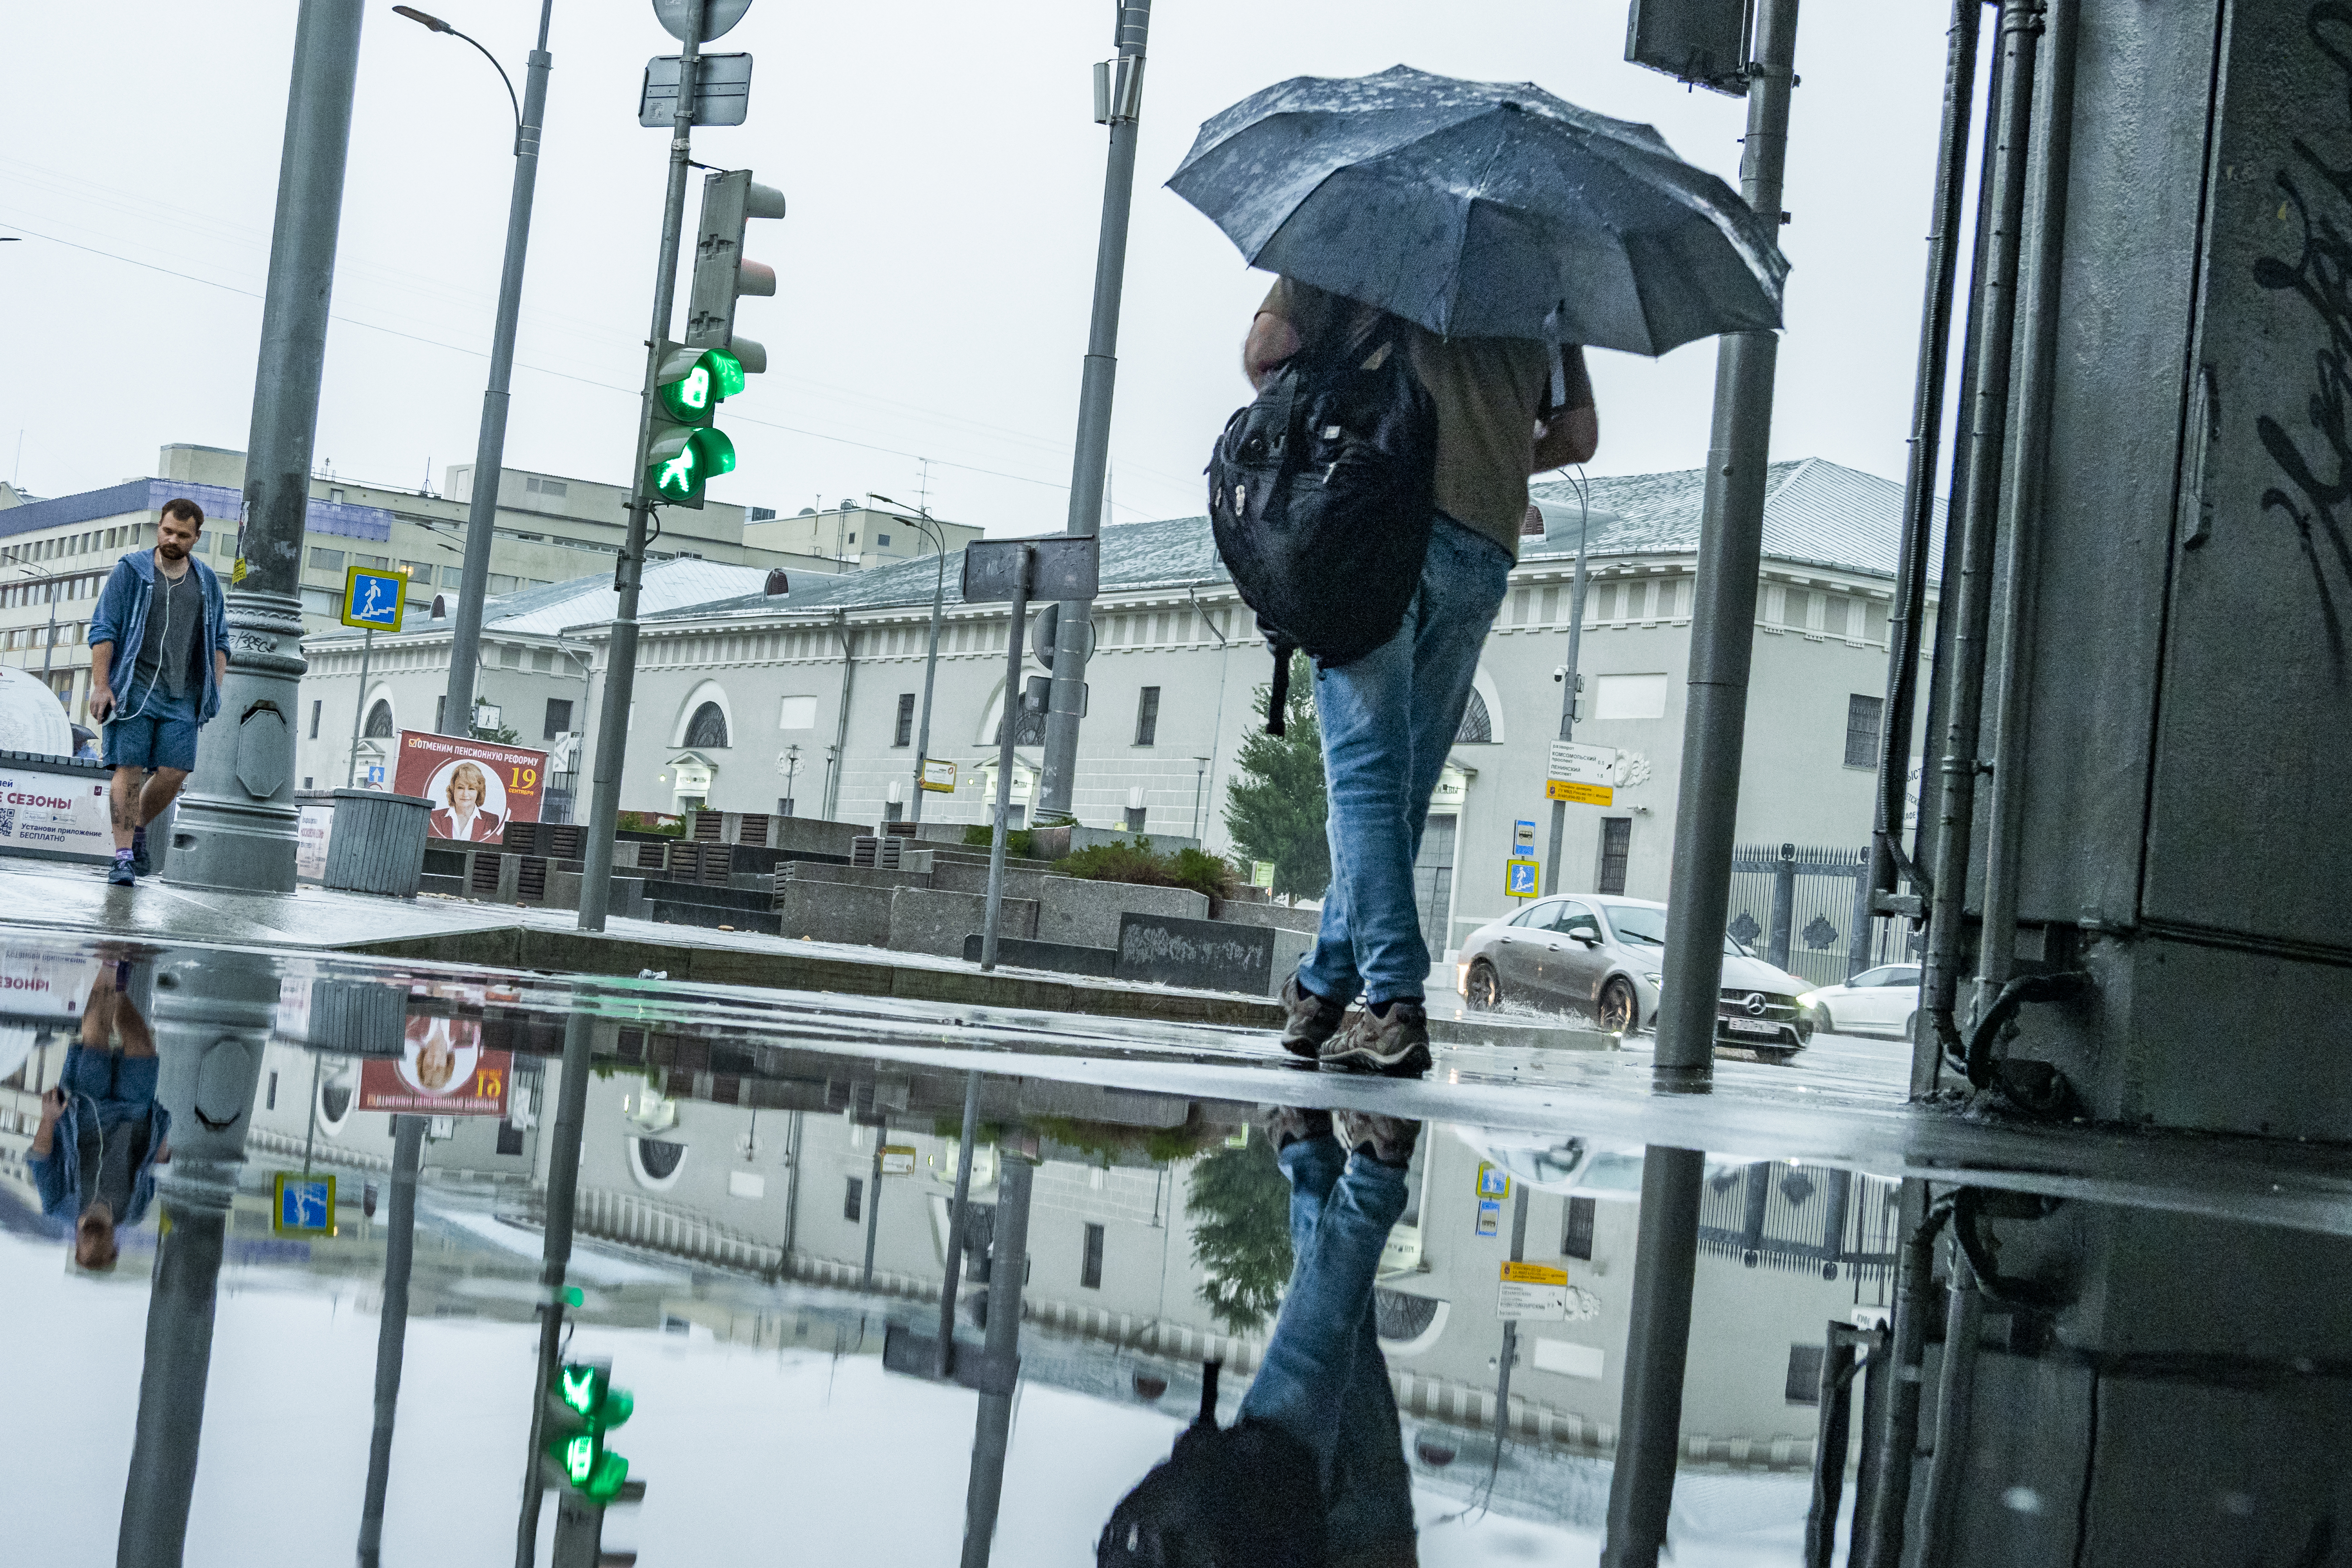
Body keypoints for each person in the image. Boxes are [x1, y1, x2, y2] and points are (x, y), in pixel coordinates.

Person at [1245, 279, 1599, 1076]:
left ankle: (1395, 999)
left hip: (1370, 518)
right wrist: (1502, 452)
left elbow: (1265, 352)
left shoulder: (1363, 235)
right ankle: (1321, 989)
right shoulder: (1539, 279)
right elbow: (1576, 434)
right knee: (1402, 788)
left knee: (1365, 777)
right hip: (1482, 543)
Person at [1098, 1105, 1422, 1568]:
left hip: (1366, 1541)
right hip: (1296, 1515)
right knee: (1313, 1348)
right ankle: (1366, 1163)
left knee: (1335, 1329)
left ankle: (1318, 1150)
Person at [88, 497, 230, 887]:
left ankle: (135, 828)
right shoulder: (131, 571)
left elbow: (220, 640)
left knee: (175, 771)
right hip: (132, 690)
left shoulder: (206, 582)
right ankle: (122, 858)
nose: (173, 539)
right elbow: (104, 630)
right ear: (159, 528)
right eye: (168, 531)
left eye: (183, 535)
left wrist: (214, 688)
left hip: (182, 694)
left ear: (197, 538)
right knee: (129, 768)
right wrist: (102, 686)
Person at [27, 959, 170, 1270]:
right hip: (134, 1117)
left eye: (84, 1252)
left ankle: (106, 966)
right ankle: (116, 986)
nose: (91, 1246)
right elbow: (150, 1168)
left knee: (96, 1039)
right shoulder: (133, 1212)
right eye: (99, 1253)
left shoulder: (58, 1205)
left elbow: (39, 1158)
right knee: (142, 1044)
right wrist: (162, 1142)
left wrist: (50, 1117)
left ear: (76, 1248)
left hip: (84, 1116)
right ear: (114, 1249)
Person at [428, 760, 504, 843]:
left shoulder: (492, 820)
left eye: (471, 789)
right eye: (460, 788)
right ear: (453, 790)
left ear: (478, 793)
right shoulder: (434, 817)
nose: (465, 794)